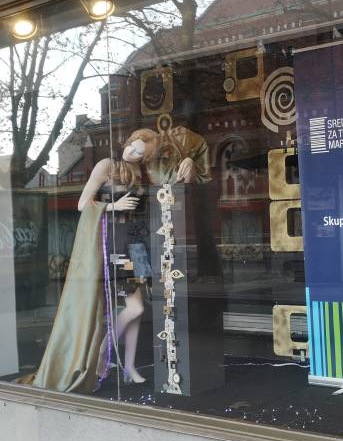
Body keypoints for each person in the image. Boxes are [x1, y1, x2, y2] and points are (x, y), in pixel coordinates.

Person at [19, 121, 210, 392]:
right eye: (132, 146)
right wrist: (113, 205)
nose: (132, 153)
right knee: (134, 308)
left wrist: (189, 161)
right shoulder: (107, 166)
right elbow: (82, 204)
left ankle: (128, 366)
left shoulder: (143, 173)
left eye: (140, 152)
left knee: (137, 310)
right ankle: (103, 354)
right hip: (114, 246)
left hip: (136, 246)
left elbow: (175, 186)